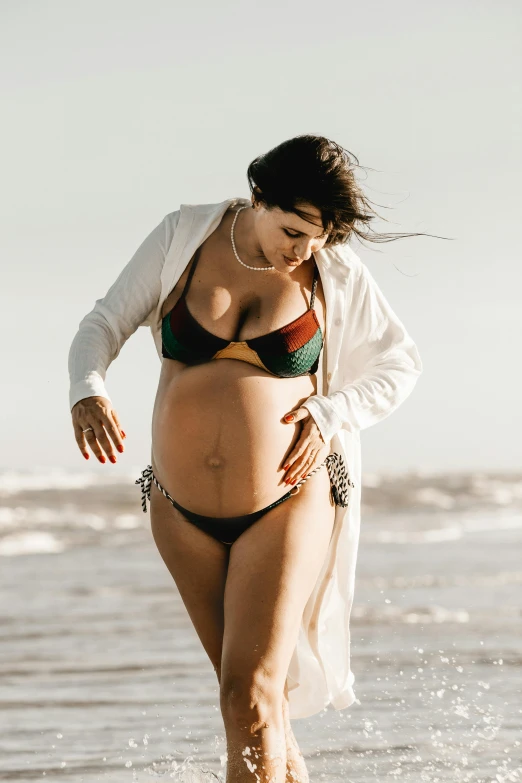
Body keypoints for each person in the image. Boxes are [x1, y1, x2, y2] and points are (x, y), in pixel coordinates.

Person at [68, 135, 424, 783]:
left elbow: (400, 364)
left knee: (248, 697)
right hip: (178, 512)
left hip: (288, 500)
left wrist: (331, 411)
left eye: (317, 237)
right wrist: (87, 389)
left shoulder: (332, 273)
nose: (304, 250)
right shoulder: (184, 236)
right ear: (260, 197)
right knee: (258, 707)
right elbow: (102, 323)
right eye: (293, 231)